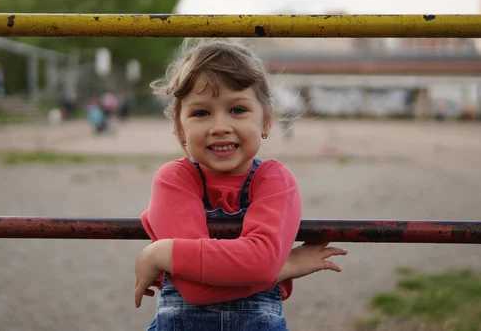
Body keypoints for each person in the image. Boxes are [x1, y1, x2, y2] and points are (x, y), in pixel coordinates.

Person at [134, 40, 347, 331]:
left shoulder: (274, 181)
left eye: (237, 110)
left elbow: (259, 263)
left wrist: (163, 253)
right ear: (181, 130)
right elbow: (196, 291)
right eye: (201, 113)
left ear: (267, 121)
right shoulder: (174, 180)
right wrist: (282, 267)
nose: (220, 126)